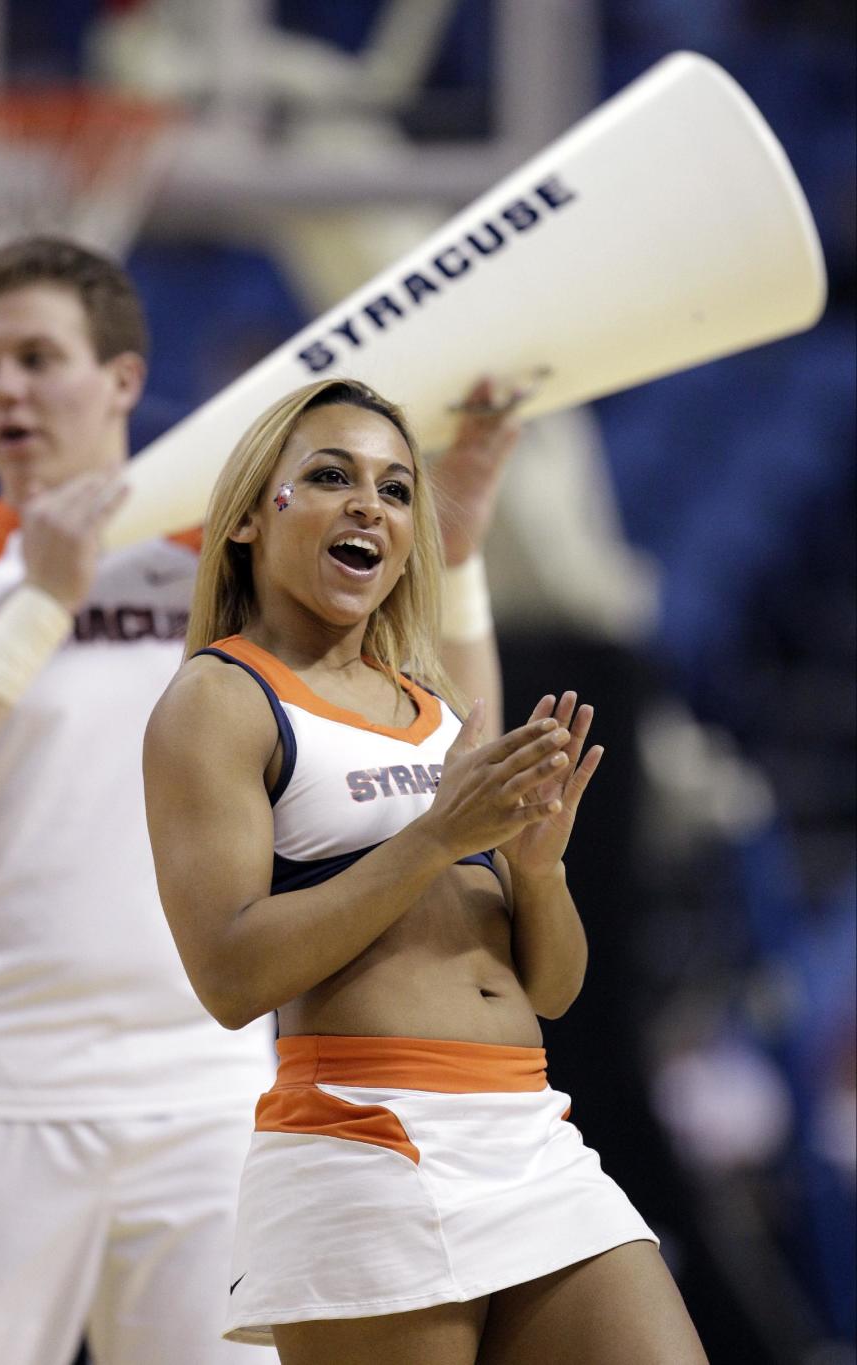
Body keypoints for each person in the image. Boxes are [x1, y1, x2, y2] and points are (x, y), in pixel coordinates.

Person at [0, 237, 524, 1365]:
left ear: (122, 382)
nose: (6, 389)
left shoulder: (238, 560)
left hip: (213, 1080)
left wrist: (461, 558)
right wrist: (43, 602)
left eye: (37, 357)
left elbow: (454, 761)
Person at [142, 377, 710, 1364]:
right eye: (330, 476)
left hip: (529, 1131)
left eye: (397, 489)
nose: (371, 504)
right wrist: (433, 840)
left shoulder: (431, 702)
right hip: (367, 1140)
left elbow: (553, 987)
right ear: (242, 520)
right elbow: (229, 978)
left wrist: (538, 873)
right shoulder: (219, 698)